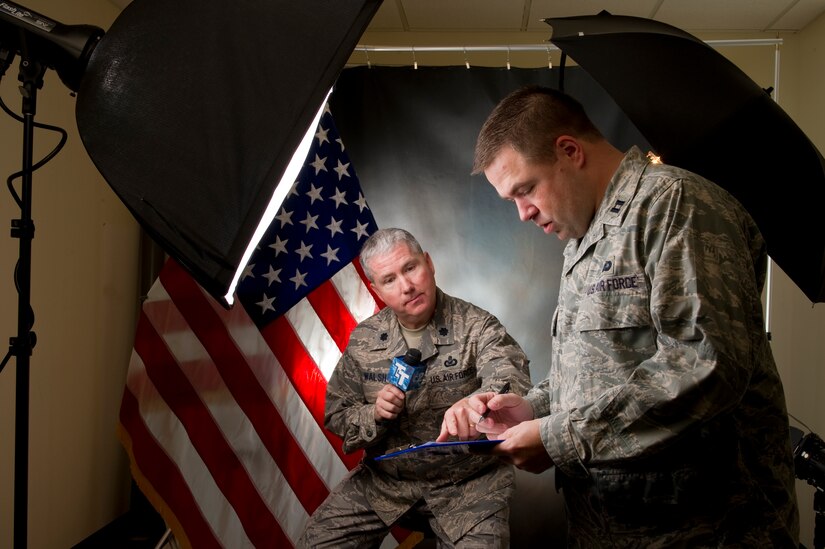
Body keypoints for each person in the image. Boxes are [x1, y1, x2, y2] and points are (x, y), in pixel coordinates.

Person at [438, 85, 800, 547]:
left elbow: (706, 367)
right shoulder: (584, 237)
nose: (523, 214)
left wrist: (558, 438)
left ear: (569, 150)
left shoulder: (676, 206)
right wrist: (533, 408)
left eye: (524, 190)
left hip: (707, 528)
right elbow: (598, 369)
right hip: (611, 527)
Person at [299, 227, 532, 548]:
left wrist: (480, 403)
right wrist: (374, 415)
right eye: (390, 279)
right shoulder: (364, 339)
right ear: (376, 289)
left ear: (429, 263)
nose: (406, 286)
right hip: (386, 480)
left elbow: (510, 379)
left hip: (468, 483)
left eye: (410, 268)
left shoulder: (478, 325)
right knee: (317, 543)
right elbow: (337, 414)